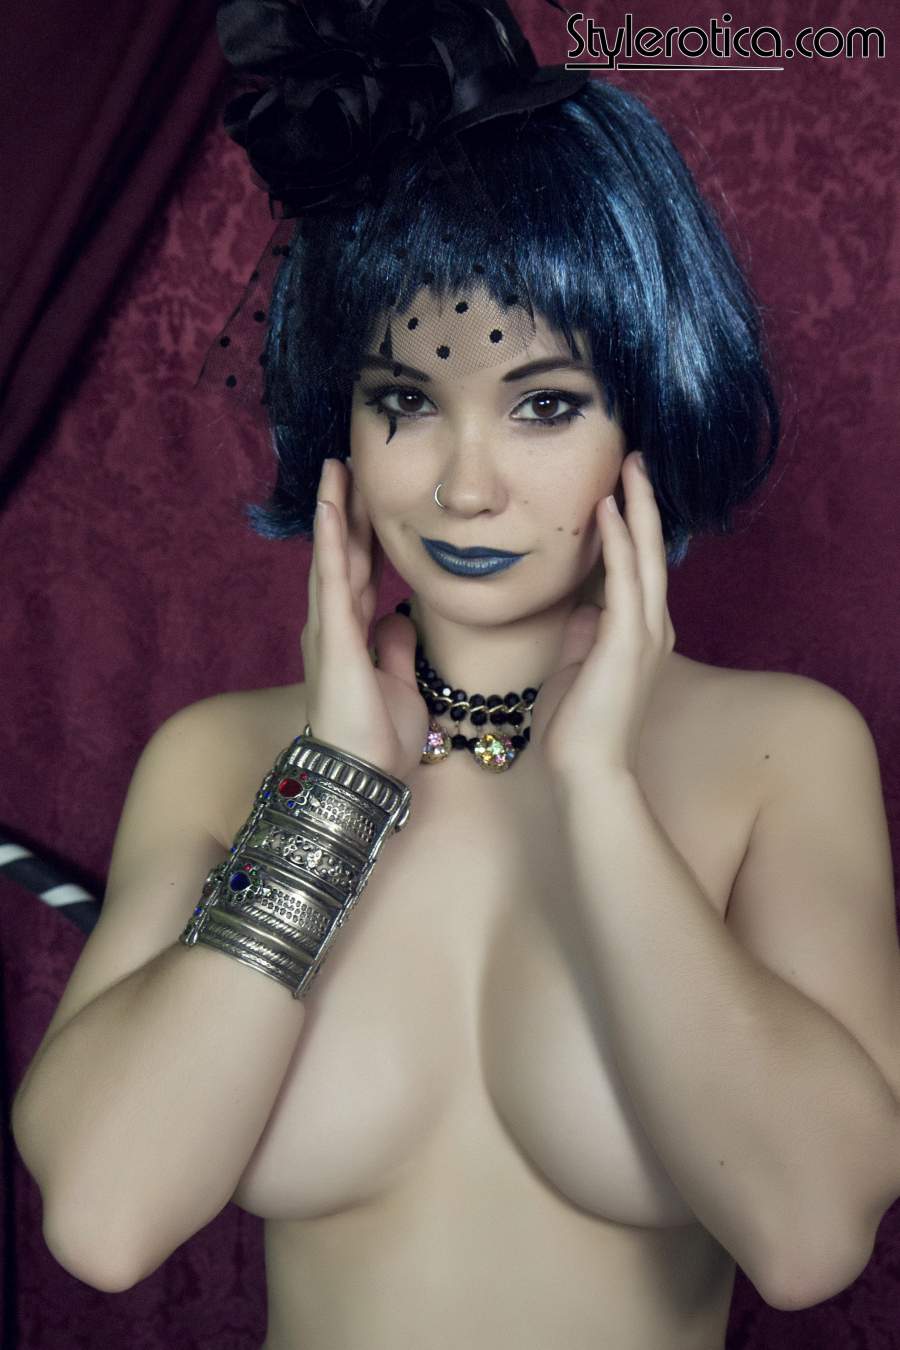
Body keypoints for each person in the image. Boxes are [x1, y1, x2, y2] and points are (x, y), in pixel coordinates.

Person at [12, 2, 900, 1347]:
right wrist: (330, 787)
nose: (465, 485)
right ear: (343, 423)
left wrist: (598, 788)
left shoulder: (780, 754)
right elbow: (105, 1215)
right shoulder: (219, 761)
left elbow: (810, 1235)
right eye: (407, 401)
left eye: (544, 403)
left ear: (651, 413)